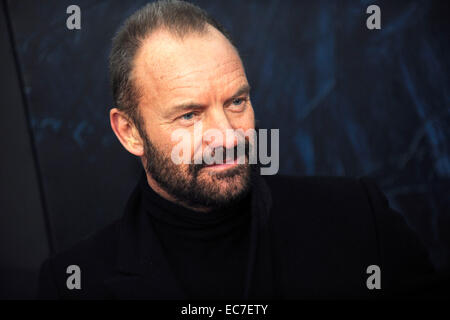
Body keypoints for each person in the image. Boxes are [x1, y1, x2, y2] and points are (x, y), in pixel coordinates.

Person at [37, 0, 438, 299]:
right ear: (129, 132)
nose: (228, 137)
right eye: (190, 115)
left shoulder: (359, 220)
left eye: (236, 102)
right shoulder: (72, 283)